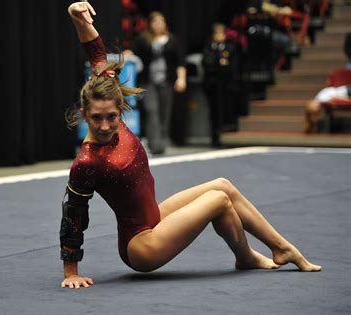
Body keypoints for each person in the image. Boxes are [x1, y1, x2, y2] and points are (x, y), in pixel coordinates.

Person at [60, 2, 321, 290]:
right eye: (96, 119)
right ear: (85, 114)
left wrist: (77, 19)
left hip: (155, 217)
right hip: (141, 246)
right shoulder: (87, 161)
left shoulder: (105, 94)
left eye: (112, 117)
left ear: (120, 107)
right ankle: (270, 251)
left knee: (223, 186)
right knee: (217, 201)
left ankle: (262, 253)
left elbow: (97, 54)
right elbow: (74, 215)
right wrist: (71, 271)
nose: (106, 125)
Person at [124, 10, 187, 155]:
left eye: (161, 21)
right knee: (152, 110)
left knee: (165, 112)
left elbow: (180, 61)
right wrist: (128, 53)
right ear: (150, 24)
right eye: (155, 22)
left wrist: (181, 79)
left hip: (167, 81)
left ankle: (163, 142)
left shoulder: (172, 40)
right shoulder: (143, 39)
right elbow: (133, 52)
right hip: (148, 82)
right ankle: (155, 144)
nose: (158, 24)